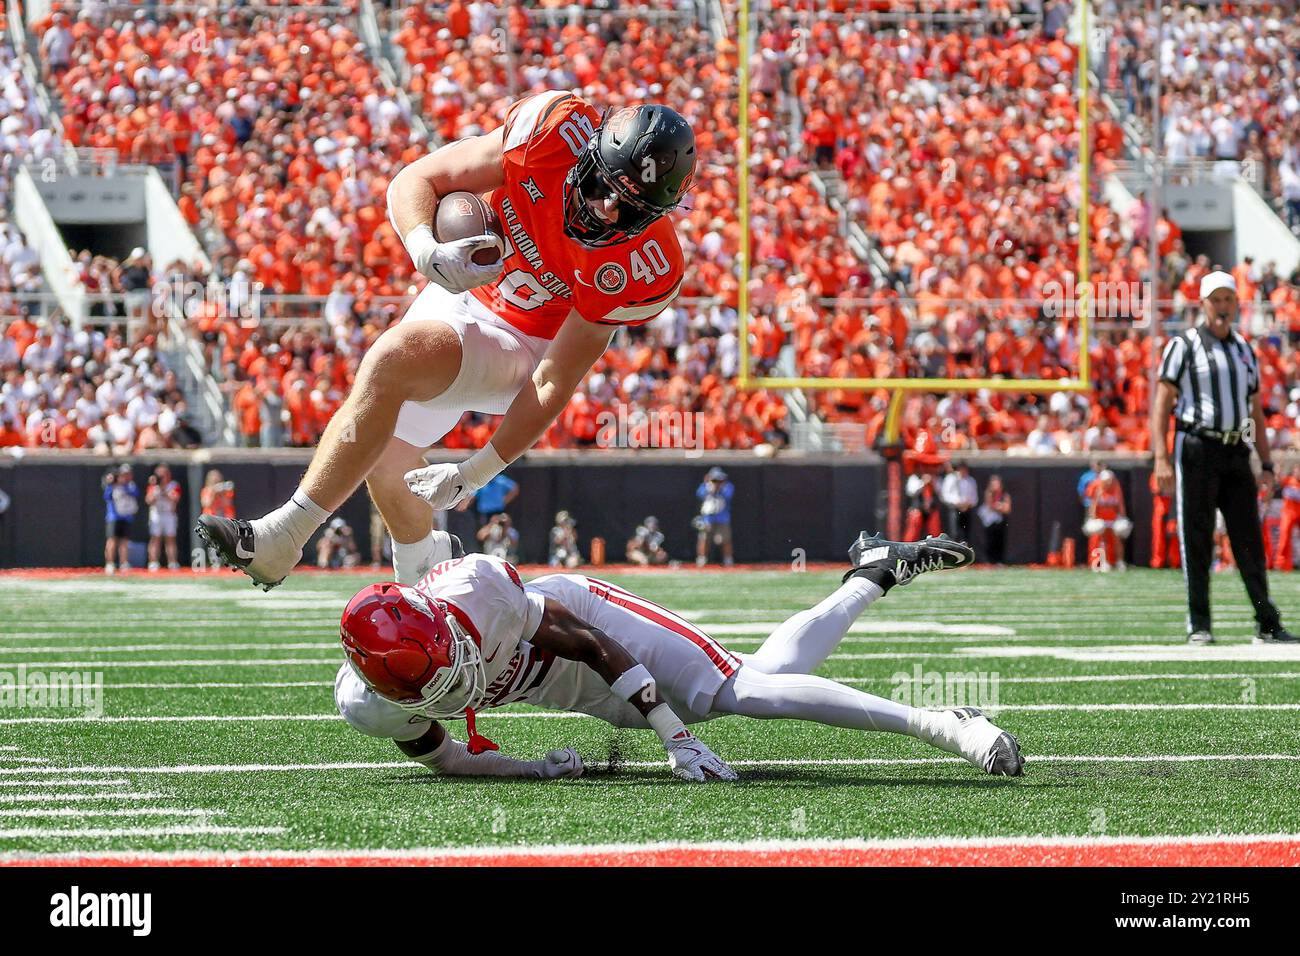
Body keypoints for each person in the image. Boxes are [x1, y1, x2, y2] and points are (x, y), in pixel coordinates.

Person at [198, 92, 696, 592]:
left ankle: (285, 535)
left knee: (392, 357)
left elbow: (553, 379)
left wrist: (474, 472)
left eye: (630, 208)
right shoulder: (551, 133)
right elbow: (416, 179)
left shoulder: (646, 265)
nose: (607, 211)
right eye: (603, 186)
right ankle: (424, 563)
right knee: (386, 457)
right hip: (459, 288)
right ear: (587, 153)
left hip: (524, 344)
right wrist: (425, 249)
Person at [334, 532, 1022, 780]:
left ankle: (943, 724)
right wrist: (530, 770)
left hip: (597, 627)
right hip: (586, 697)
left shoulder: (481, 592)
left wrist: (675, 736)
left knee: (742, 694)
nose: (462, 679)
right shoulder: (368, 703)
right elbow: (451, 759)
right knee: (759, 681)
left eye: (453, 655)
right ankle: (873, 573)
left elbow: (594, 644)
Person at [1152, 270, 1296, 644]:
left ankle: (1267, 622)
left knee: (1249, 536)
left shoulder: (1243, 347)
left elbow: (1256, 412)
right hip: (1197, 445)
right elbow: (1162, 402)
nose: (1221, 306)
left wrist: (1265, 463)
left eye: (1227, 299)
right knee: (1196, 535)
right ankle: (1199, 624)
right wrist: (1161, 458)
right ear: (1203, 304)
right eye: (1215, 299)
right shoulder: (1184, 345)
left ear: (1236, 303)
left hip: (1236, 448)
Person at [1083, 469, 1130, 572]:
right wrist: (1093, 519)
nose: (1108, 483)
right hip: (1102, 519)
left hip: (1113, 519)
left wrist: (1122, 518)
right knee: (1102, 539)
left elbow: (1120, 506)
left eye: (1110, 480)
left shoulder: (1116, 489)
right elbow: (1093, 506)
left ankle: (1119, 561)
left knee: (1117, 539)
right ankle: (1104, 562)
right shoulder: (1098, 489)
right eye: (1106, 480)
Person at [102, 464, 139, 574]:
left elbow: (135, 493)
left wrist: (124, 485)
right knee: (112, 540)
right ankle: (110, 563)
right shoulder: (112, 486)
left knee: (124, 541)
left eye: (128, 474)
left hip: (127, 517)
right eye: (124, 474)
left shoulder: (131, 486)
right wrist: (111, 484)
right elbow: (106, 497)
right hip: (114, 516)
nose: (126, 477)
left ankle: (124, 563)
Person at [145, 464, 182, 571]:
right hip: (156, 513)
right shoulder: (153, 486)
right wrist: (155, 488)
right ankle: (153, 562)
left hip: (169, 514)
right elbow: (148, 500)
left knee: (170, 539)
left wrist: (164, 489)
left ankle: (172, 562)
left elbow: (175, 498)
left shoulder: (173, 485)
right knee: (155, 538)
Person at [695, 466, 734, 567]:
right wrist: (710, 488)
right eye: (715, 479)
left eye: (719, 479)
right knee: (704, 538)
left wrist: (719, 489)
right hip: (708, 518)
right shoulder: (704, 487)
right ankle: (702, 558)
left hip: (723, 518)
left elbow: (728, 496)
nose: (717, 482)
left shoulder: (728, 487)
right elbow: (699, 494)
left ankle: (728, 559)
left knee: (725, 539)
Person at [200, 469, 236, 571]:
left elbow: (227, 504)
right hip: (211, 518)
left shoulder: (225, 491)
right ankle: (215, 563)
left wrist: (222, 493)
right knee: (213, 542)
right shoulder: (207, 490)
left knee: (227, 541)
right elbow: (206, 504)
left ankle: (229, 562)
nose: (216, 480)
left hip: (223, 518)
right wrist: (214, 493)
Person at [940, 462, 978, 543]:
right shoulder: (951, 479)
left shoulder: (971, 480)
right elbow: (945, 494)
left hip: (967, 510)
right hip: (954, 509)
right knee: (954, 533)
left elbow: (974, 497)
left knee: (966, 534)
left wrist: (968, 503)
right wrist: (956, 502)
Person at [978, 475, 1011, 565]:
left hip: (1001, 521)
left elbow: (1007, 509)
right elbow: (990, 505)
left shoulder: (1004, 494)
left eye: (997, 483)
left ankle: (999, 561)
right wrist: (999, 507)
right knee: (990, 541)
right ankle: (989, 561)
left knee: (1000, 541)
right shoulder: (989, 493)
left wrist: (1000, 507)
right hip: (990, 522)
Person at [1272, 464, 1300, 571]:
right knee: (1284, 538)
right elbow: (1277, 480)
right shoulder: (1288, 480)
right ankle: (1281, 564)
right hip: (1288, 513)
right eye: (1297, 471)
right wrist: (1277, 471)